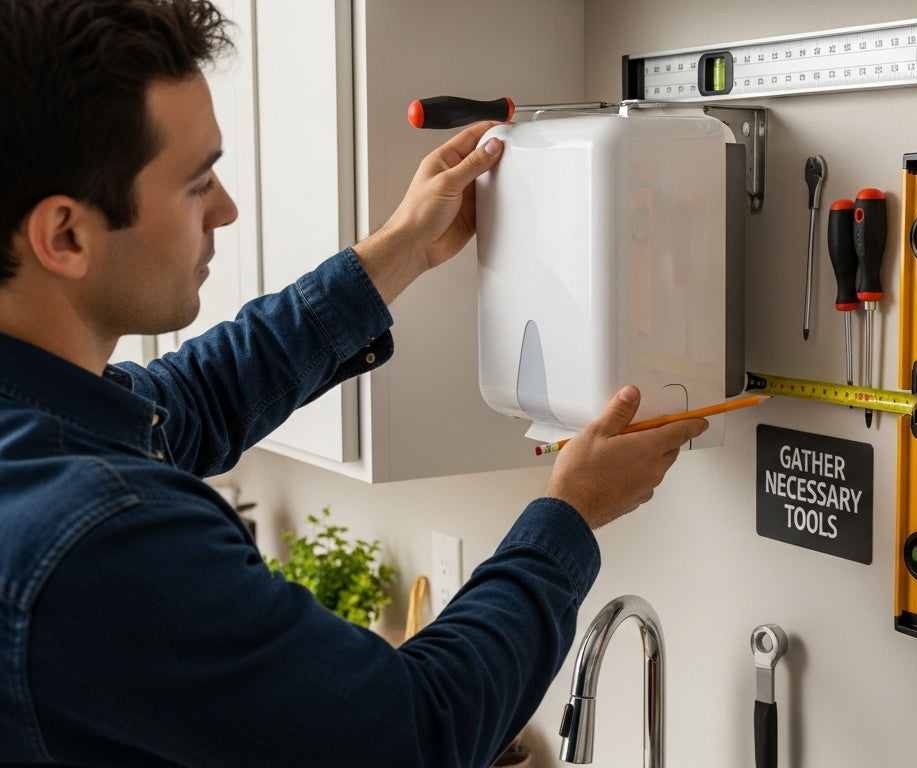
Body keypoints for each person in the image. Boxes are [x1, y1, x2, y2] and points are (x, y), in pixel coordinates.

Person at [0, 1, 708, 765]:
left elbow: (183, 405)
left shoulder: (36, 426)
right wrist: (571, 513)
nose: (229, 209)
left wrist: (396, 251)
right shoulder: (99, 537)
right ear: (66, 235)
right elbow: (415, 734)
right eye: (197, 182)